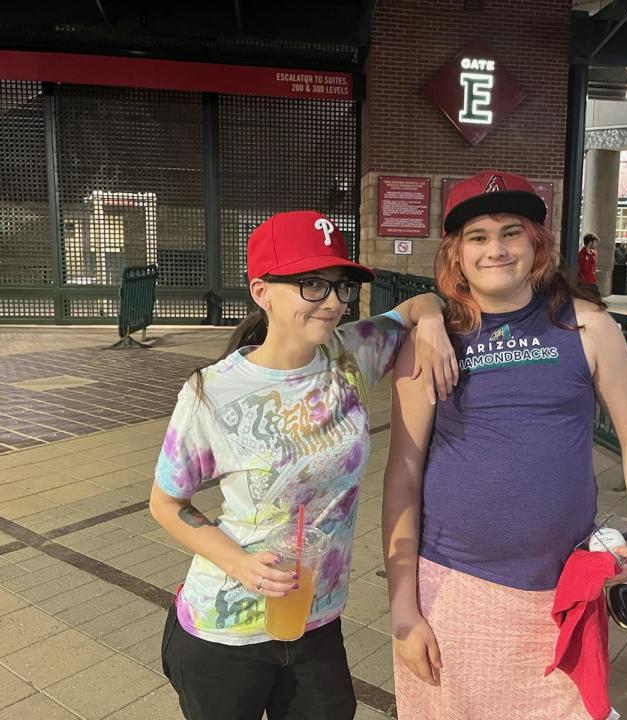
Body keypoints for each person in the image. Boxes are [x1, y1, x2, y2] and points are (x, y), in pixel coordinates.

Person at [150, 210, 458, 720]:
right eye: (311, 285)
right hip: (226, 627)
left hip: (318, 623)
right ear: (261, 292)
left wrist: (430, 323)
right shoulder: (212, 392)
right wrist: (238, 563)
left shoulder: (348, 356)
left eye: (340, 287)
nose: (334, 301)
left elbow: (422, 302)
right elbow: (166, 503)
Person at [382, 171, 627, 720]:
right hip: (453, 589)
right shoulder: (431, 344)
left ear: (536, 242)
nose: (496, 249)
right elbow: (401, 476)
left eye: (511, 232)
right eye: (478, 237)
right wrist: (402, 609)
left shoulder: (586, 327)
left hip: (562, 590)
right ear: (456, 253)